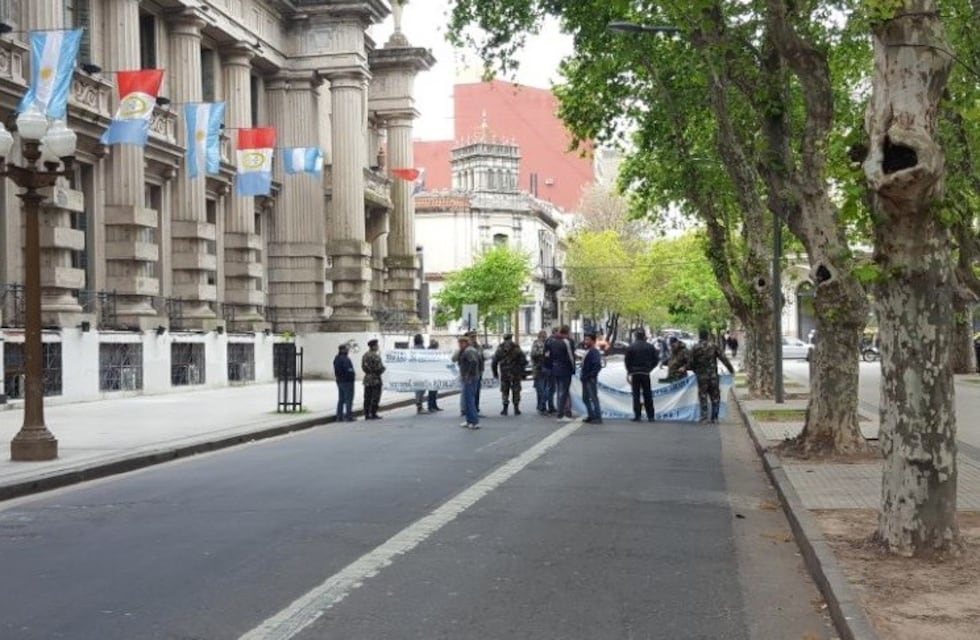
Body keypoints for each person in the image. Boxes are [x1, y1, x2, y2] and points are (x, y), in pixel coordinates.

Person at [691, 328, 735, 424]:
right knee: (715, 396)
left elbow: (691, 362)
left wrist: (696, 371)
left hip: (701, 376)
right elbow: (723, 358)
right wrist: (731, 370)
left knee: (703, 396)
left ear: (699, 336)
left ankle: (704, 417)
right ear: (707, 336)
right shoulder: (713, 346)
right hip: (713, 376)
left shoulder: (695, 347)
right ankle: (715, 417)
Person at [624, 330, 659, 422]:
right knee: (647, 394)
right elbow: (656, 360)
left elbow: (627, 361)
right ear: (644, 337)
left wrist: (629, 371)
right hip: (645, 373)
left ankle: (637, 415)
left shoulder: (631, 347)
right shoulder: (650, 347)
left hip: (635, 373)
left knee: (636, 394)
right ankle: (650, 416)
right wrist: (649, 369)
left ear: (635, 336)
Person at [491, 333, 528, 415]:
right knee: (516, 390)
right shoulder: (516, 347)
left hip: (504, 372)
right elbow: (523, 360)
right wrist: (522, 371)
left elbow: (494, 361)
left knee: (505, 390)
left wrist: (495, 373)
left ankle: (505, 408)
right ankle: (516, 408)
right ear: (511, 338)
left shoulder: (500, 348)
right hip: (515, 372)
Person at [545, 325, 576, 420]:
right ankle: (561, 414)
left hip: (555, 369)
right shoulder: (567, 342)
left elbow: (547, 356)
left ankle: (560, 411)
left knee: (559, 390)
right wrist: (573, 368)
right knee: (564, 391)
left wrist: (549, 367)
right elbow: (571, 357)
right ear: (567, 333)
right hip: (565, 369)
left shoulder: (552, 342)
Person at [456, 335, 482, 430]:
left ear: (465, 343)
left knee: (470, 400)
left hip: (470, 378)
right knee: (467, 400)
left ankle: (474, 421)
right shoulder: (468, 350)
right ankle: (469, 420)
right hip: (471, 377)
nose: (459, 345)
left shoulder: (469, 351)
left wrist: (468, 375)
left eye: (461, 343)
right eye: (459, 343)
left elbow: (474, 362)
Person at [580, 332, 603, 424]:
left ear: (593, 341)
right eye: (585, 339)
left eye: (587, 340)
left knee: (593, 398)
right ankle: (591, 415)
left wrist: (591, 375)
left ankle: (597, 417)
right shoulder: (589, 351)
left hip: (590, 379)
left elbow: (597, 365)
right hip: (586, 378)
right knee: (585, 398)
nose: (585, 341)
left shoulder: (594, 351)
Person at [530, 330, 554, 415]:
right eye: (543, 336)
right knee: (540, 389)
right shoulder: (536, 344)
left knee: (545, 388)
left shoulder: (547, 344)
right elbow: (533, 354)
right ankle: (541, 406)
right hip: (538, 369)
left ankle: (542, 406)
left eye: (545, 336)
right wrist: (543, 353)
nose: (544, 338)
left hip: (546, 368)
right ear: (539, 336)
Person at [361, 338, 385, 420]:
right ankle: (373, 413)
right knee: (375, 397)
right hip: (375, 379)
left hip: (367, 379)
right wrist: (383, 369)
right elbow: (379, 368)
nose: (378, 346)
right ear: (374, 346)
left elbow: (363, 367)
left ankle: (366, 414)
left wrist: (368, 372)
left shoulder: (365, 355)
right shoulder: (375, 356)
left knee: (367, 397)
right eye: (377, 345)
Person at [333, 343, 356, 422]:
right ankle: (348, 415)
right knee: (348, 399)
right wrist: (352, 376)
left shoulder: (336, 358)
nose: (348, 350)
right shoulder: (345, 359)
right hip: (347, 381)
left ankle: (339, 416)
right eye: (346, 349)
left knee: (341, 399)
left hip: (339, 381)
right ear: (342, 350)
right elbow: (349, 370)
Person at [411, 333, 428, 414]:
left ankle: (419, 405)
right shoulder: (422, 349)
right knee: (421, 389)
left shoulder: (412, 349)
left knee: (418, 389)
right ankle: (419, 406)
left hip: (415, 372)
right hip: (421, 372)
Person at [427, 338, 443, 412]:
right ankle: (431, 406)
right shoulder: (429, 352)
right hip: (431, 374)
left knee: (434, 391)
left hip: (435, 373)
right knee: (432, 391)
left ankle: (434, 405)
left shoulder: (435, 352)